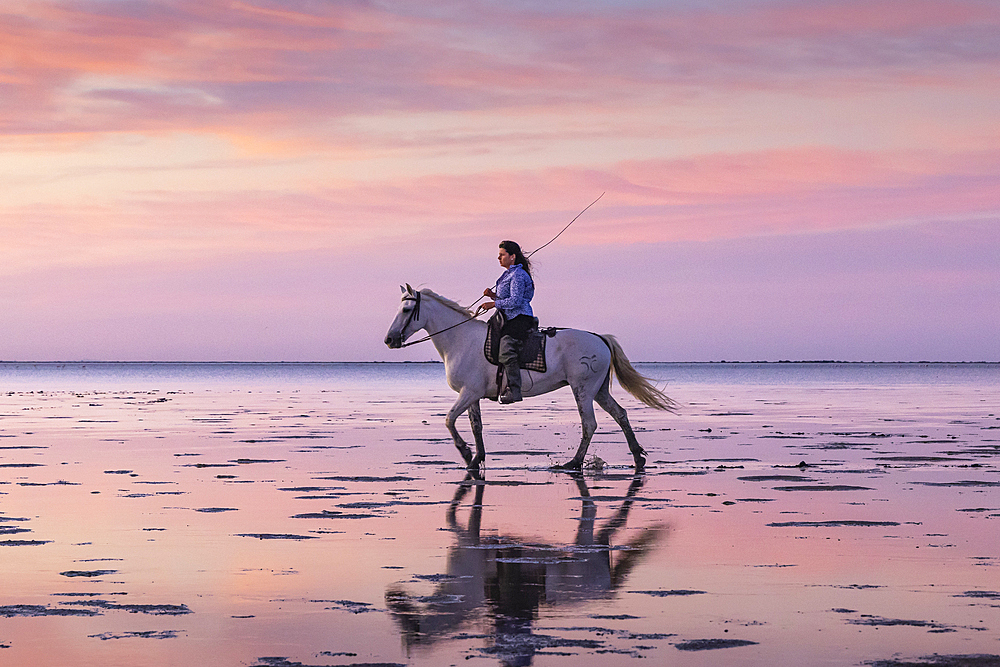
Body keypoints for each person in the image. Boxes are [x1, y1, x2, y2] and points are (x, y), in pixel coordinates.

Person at [476, 240, 535, 404]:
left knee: (506, 349)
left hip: (520, 318)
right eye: (499, 254)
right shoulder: (509, 274)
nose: (498, 257)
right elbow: (508, 298)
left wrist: (493, 303)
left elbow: (516, 301)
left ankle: (514, 390)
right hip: (508, 318)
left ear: (512, 256)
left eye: (502, 255)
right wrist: (493, 296)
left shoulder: (517, 275)